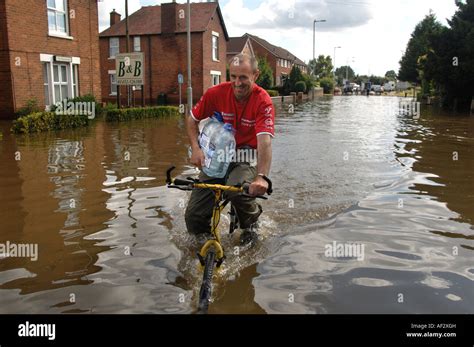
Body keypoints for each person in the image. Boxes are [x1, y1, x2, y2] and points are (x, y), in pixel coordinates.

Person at [185, 53, 275, 246]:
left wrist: (261, 177)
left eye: (243, 77)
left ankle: (251, 222)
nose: (237, 83)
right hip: (219, 154)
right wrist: (196, 148)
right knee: (193, 216)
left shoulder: (263, 101)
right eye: (233, 76)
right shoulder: (215, 93)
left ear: (255, 75)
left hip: (246, 155)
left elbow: (265, 141)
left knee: (236, 188)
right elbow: (192, 118)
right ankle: (205, 245)